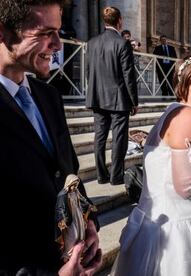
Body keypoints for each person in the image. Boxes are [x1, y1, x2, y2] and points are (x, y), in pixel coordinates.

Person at [0, 0, 101, 274]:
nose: (58, 44)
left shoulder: (49, 96)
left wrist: (88, 222)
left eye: (57, 31)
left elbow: (69, 175)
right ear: (3, 33)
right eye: (46, 33)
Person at [113, 55, 191, 275]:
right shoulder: (188, 116)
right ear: (183, 85)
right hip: (177, 231)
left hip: (156, 223)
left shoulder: (175, 112)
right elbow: (186, 187)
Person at [86, 6, 138, 185]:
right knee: (119, 139)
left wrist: (92, 92)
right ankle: (116, 176)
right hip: (118, 99)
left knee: (99, 138)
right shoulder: (122, 43)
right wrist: (134, 101)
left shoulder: (91, 42)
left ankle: (101, 175)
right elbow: (128, 75)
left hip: (97, 96)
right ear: (120, 21)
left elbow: (88, 71)